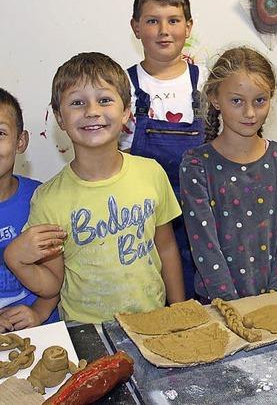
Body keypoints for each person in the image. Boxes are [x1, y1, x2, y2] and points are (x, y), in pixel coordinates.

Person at [5, 53, 185, 324]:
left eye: (104, 100)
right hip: (85, 330)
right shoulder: (48, 199)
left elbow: (167, 247)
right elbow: (54, 279)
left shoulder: (151, 173)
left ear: (126, 111)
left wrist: (180, 309)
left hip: (153, 321)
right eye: (77, 103)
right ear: (60, 118)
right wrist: (16, 260)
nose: (92, 111)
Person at [179, 47, 277, 302]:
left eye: (260, 100)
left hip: (273, 303)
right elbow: (204, 246)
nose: (250, 113)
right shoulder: (196, 164)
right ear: (214, 98)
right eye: (237, 101)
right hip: (217, 304)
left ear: (271, 97)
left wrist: (274, 298)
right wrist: (233, 306)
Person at [120, 0, 206, 299]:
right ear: (136, 27)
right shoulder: (121, 86)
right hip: (142, 219)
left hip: (200, 218)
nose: (163, 30)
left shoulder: (207, 81)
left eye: (173, 20)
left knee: (198, 305)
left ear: (189, 26)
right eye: (153, 20)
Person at [0, 88, 60, 332]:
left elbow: (57, 278)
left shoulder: (41, 199)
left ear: (20, 142)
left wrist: (38, 312)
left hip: (41, 329)